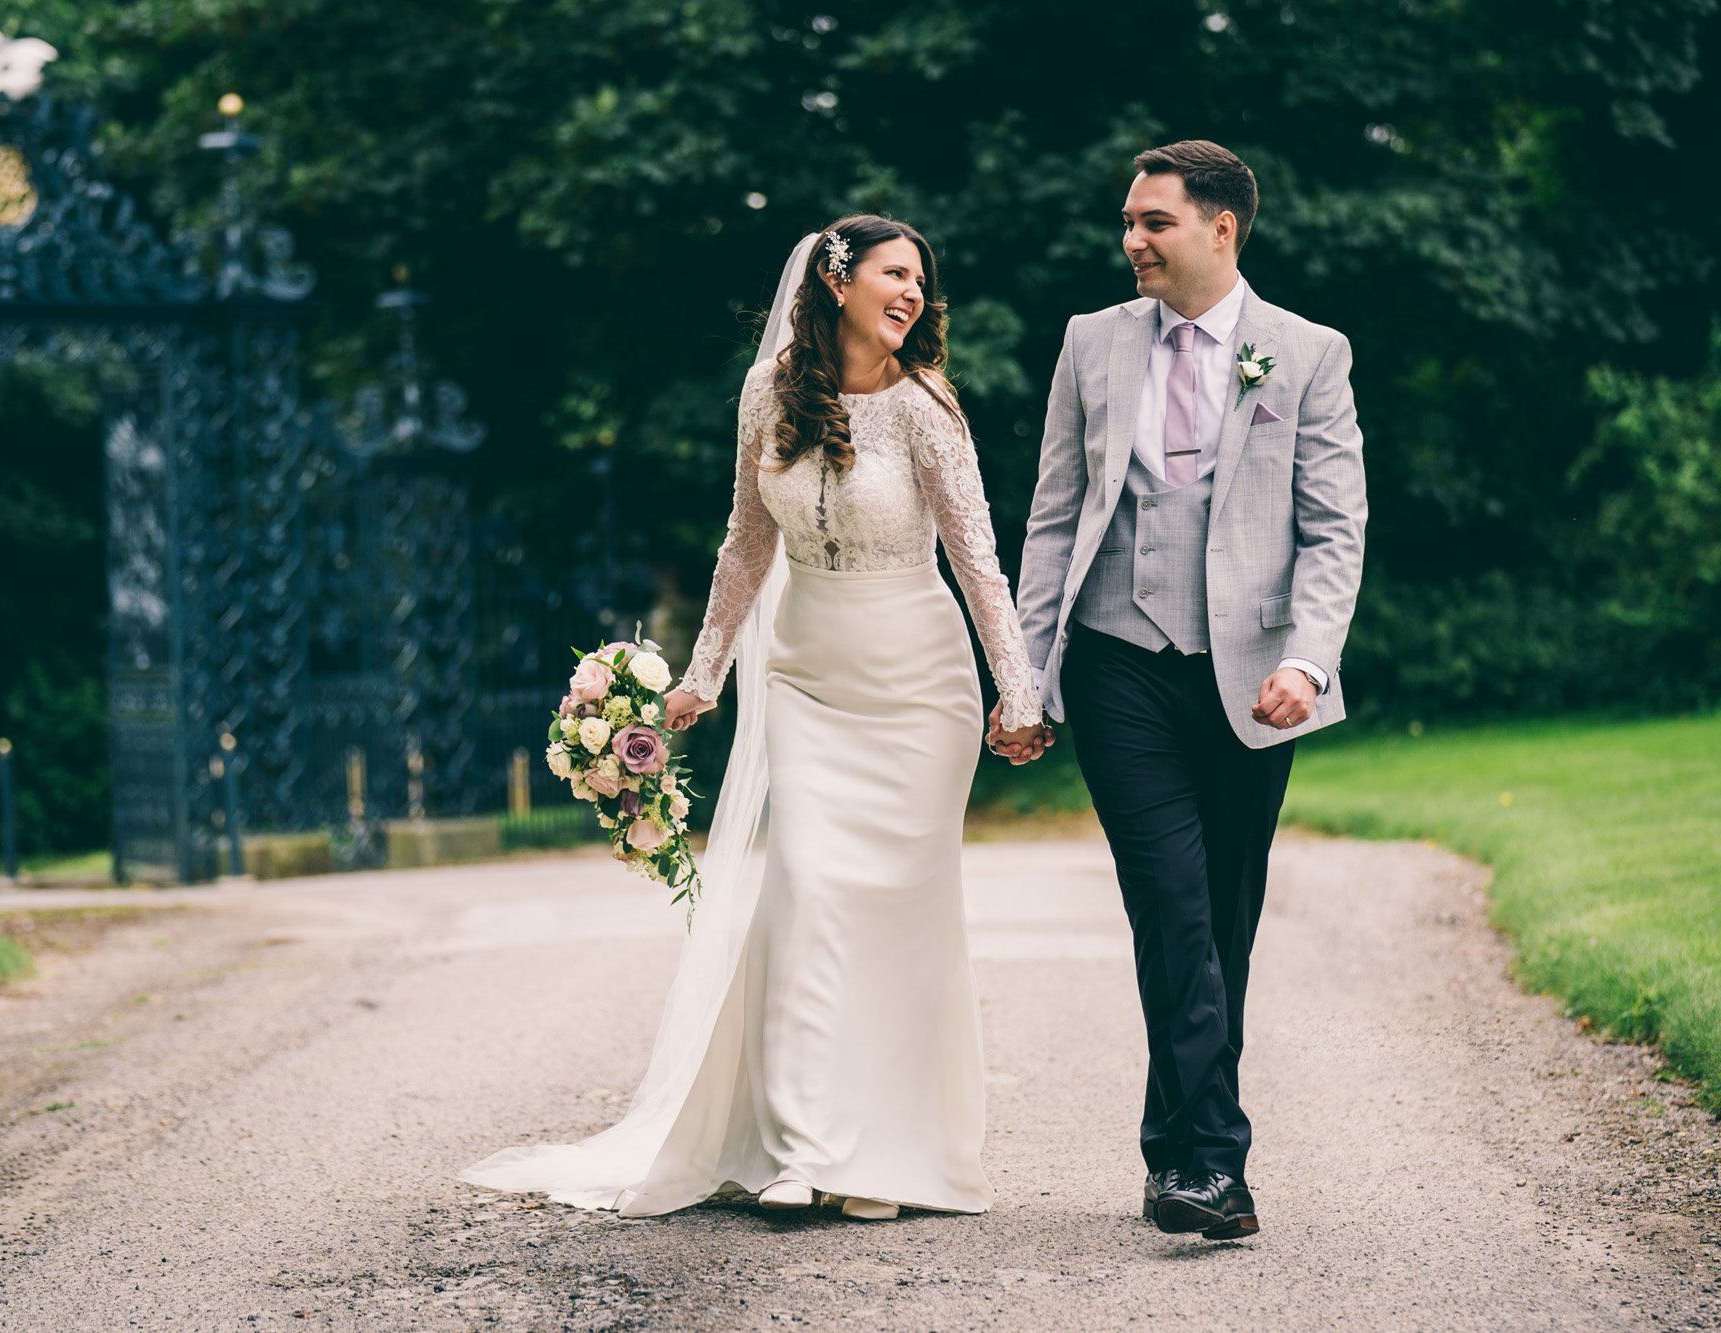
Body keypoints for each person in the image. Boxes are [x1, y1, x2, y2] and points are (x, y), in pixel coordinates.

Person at [463, 215, 1046, 1221]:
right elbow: (743, 544)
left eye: (919, 280)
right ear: (834, 281)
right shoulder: (767, 392)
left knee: (896, 922)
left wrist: (1018, 689)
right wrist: (703, 675)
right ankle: (803, 1144)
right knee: (812, 895)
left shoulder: (923, 408)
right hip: (808, 681)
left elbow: (977, 558)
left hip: (918, 687)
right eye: (891, 275)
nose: (911, 293)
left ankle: (885, 1156)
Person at [1006, 140, 1367, 1240]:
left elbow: (1331, 527)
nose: (1130, 241)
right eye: (1125, 221)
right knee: (1168, 899)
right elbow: (1054, 513)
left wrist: (1305, 661)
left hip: (1252, 680)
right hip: (1116, 657)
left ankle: (1176, 1148)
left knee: (1223, 919)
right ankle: (1215, 1164)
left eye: (1151, 221)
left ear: (1221, 228)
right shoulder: (1089, 343)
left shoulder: (1305, 354)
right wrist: (1028, 675)